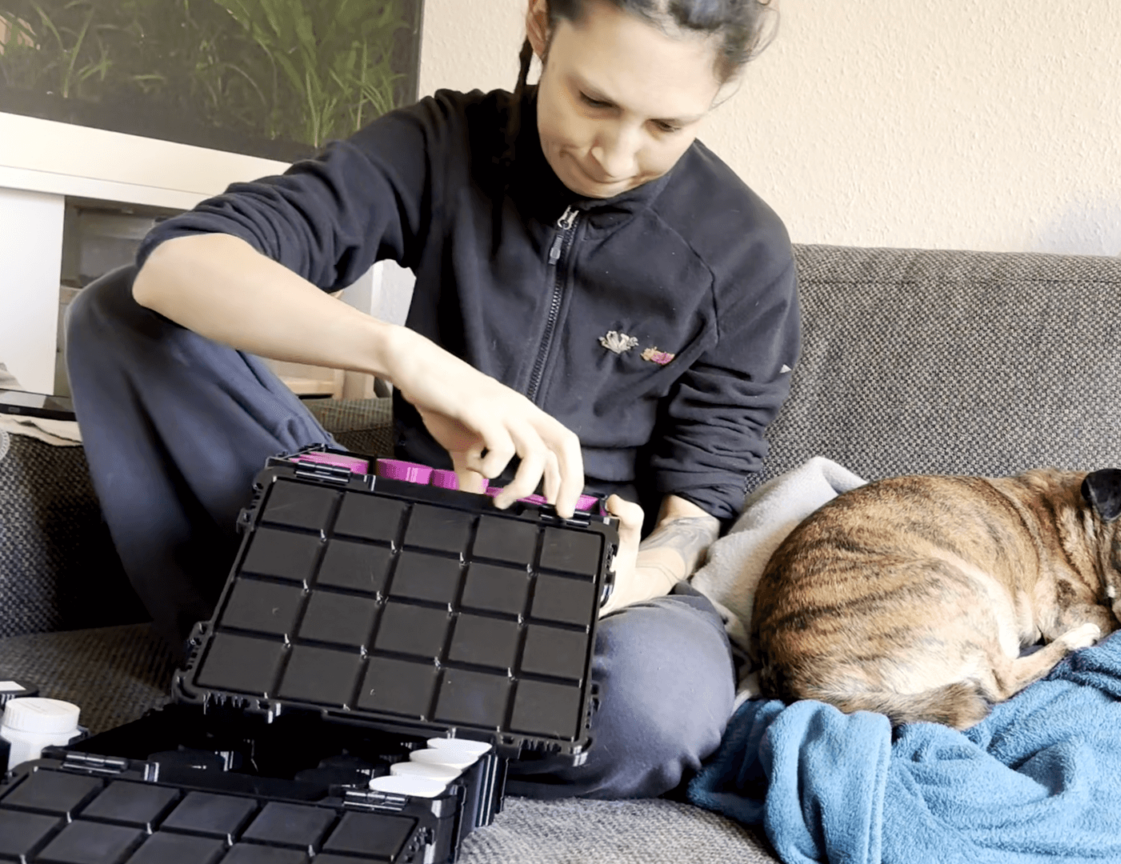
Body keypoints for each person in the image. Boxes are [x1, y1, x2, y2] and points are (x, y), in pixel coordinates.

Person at [65, 0, 797, 800]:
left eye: (665, 126)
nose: (615, 156)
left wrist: (637, 576)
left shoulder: (745, 251)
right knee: (119, 317)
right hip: (386, 543)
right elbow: (178, 268)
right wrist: (408, 358)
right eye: (594, 100)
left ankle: (295, 676)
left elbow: (699, 512)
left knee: (648, 717)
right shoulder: (442, 143)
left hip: (596, 597)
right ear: (542, 27)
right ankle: (350, 676)